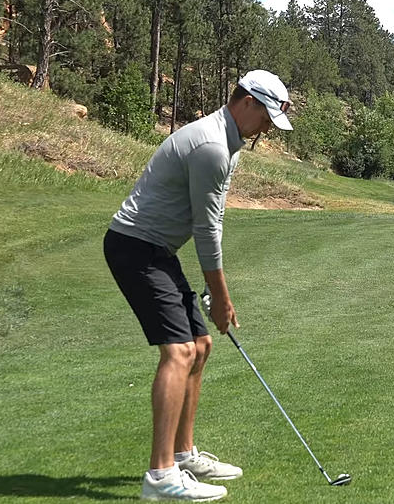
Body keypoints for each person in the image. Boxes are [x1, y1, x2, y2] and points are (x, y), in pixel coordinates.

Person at [103, 70, 293, 501]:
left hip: (158, 251)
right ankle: (160, 476)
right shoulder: (211, 145)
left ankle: (183, 454)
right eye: (265, 118)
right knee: (180, 350)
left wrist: (210, 288)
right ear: (246, 101)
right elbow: (206, 229)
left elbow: (212, 218)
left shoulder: (231, 143)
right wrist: (221, 295)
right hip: (134, 248)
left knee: (201, 343)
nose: (266, 130)